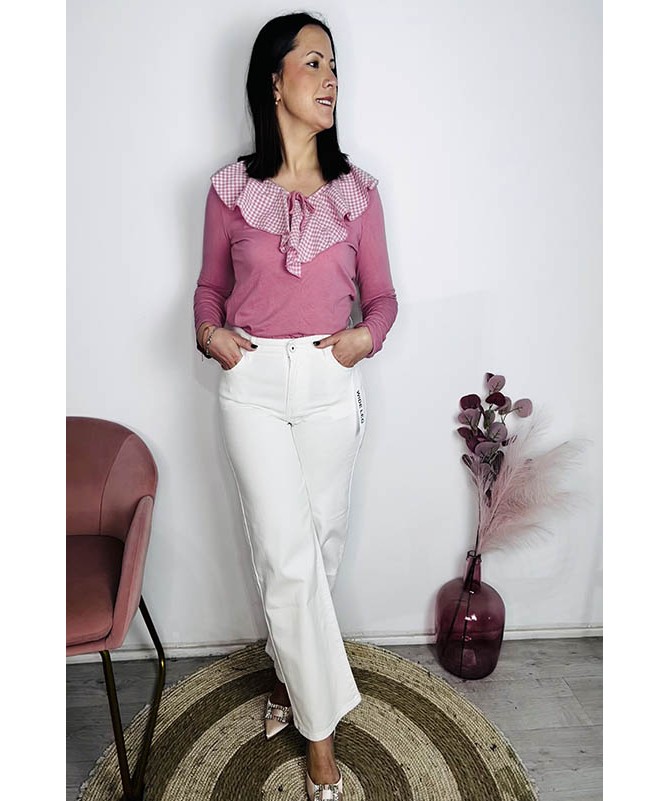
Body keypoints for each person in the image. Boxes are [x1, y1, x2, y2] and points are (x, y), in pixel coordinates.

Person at [193, 12, 398, 799]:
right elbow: (208, 286)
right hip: (251, 386)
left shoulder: (358, 194)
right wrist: (208, 333)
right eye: (313, 62)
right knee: (285, 556)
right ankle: (321, 741)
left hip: (327, 382)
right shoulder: (229, 190)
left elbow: (381, 298)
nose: (331, 78)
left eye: (335, 64)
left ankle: (289, 677)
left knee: (320, 549)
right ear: (273, 81)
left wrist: (362, 340)